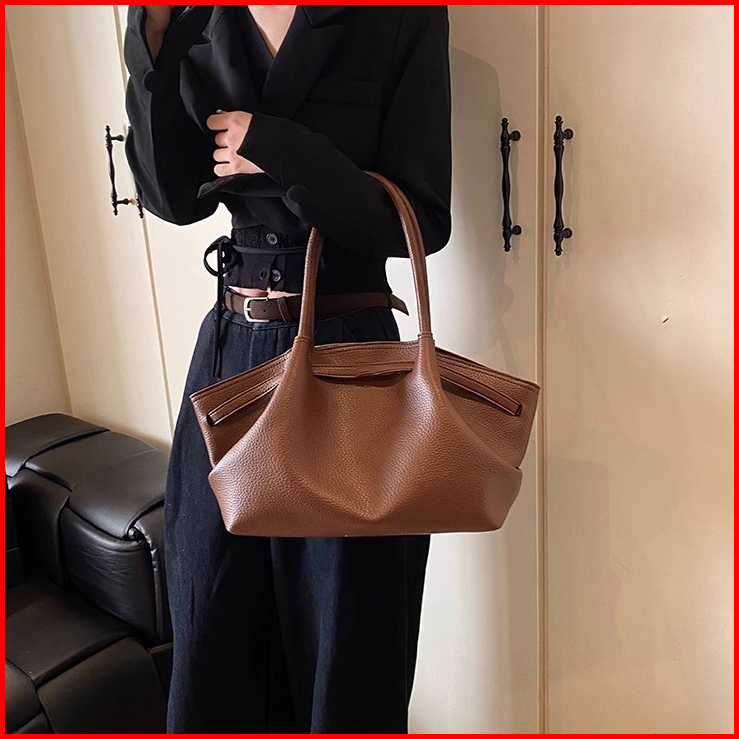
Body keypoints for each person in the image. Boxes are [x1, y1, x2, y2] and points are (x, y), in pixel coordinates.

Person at [123, 4, 451, 733]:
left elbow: (422, 219)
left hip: (349, 362)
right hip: (230, 357)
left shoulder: (400, 18)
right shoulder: (194, 21)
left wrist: (279, 148)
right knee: (213, 638)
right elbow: (170, 198)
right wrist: (151, 44)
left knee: (348, 647)